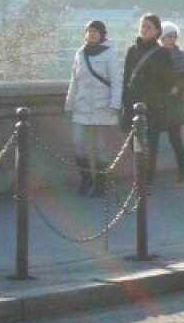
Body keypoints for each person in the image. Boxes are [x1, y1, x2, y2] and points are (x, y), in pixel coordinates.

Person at [64, 19, 123, 197]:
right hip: (81, 106)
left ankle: (100, 184)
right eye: (89, 31)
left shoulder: (109, 53)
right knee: (77, 143)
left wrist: (114, 104)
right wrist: (69, 101)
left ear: (102, 34)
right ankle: (86, 178)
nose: (91, 34)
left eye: (95, 31)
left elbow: (116, 81)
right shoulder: (80, 53)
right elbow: (74, 79)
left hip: (102, 106)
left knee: (100, 148)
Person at [121, 13, 176, 191]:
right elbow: (126, 77)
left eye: (148, 27)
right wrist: (124, 101)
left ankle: (147, 181)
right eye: (142, 26)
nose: (144, 30)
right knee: (133, 143)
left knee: (150, 144)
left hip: (153, 107)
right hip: (133, 105)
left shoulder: (161, 53)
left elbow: (169, 80)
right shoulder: (132, 50)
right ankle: (139, 177)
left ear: (157, 31)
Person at [156, 21, 184, 183]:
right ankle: (148, 174)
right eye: (169, 36)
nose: (172, 39)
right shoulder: (154, 55)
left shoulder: (181, 56)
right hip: (156, 103)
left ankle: (182, 172)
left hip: (174, 103)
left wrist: (178, 86)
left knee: (176, 139)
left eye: (174, 36)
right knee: (152, 139)